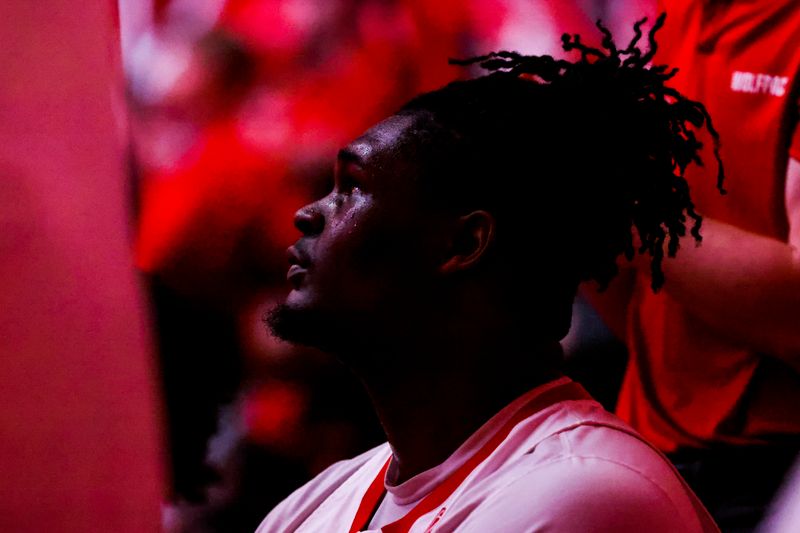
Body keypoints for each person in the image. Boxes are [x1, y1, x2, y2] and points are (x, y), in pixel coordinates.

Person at [257, 19, 721, 532]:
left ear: (463, 243)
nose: (308, 213)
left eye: (353, 187)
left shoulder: (581, 492)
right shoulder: (314, 504)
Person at [584, 2, 800, 529]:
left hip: (770, 464)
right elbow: (637, 282)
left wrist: (630, 215)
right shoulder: (675, 12)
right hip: (650, 446)